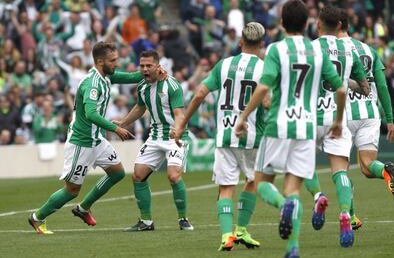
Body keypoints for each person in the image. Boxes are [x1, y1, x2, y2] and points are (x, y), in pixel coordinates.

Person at [234, 0, 346, 258]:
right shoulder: (317, 51)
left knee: (261, 181)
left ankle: (284, 206)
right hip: (306, 127)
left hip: (278, 125)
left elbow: (263, 88)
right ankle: (292, 248)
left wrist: (243, 116)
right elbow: (340, 88)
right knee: (294, 188)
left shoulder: (276, 50)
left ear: (282, 22)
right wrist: (339, 121)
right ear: (307, 23)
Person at [28, 41, 161, 234]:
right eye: (113, 60)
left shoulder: (107, 76)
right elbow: (91, 114)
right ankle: (37, 217)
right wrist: (116, 129)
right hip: (81, 143)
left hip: (96, 139)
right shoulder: (92, 83)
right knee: (71, 190)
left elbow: (133, 76)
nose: (117, 63)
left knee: (117, 173)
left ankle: (83, 208)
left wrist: (154, 71)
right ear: (100, 61)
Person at [173, 22, 266, 251]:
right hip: (252, 135)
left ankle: (227, 236)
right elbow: (268, 102)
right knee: (252, 181)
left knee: (226, 187)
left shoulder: (224, 65)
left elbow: (199, 95)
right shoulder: (264, 68)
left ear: (240, 42)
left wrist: (182, 124)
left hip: (225, 135)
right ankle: (242, 230)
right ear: (262, 44)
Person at [305, 5, 369, 248]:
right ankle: (345, 214)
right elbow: (363, 86)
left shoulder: (310, 47)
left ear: (319, 25)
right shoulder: (348, 49)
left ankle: (317, 196)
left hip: (310, 115)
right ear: (340, 26)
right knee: (340, 170)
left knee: (302, 164)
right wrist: (347, 82)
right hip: (337, 117)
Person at [115, 50, 194, 232]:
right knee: (137, 176)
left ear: (158, 66)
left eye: (149, 65)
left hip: (175, 136)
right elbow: (140, 108)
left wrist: (178, 129)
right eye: (142, 65)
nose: (144, 69)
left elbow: (178, 113)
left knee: (173, 176)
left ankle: (183, 218)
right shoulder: (142, 86)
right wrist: (123, 122)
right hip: (155, 136)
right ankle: (146, 222)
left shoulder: (172, 85)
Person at [337, 8, 394, 229]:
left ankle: (351, 216)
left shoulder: (331, 50)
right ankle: (385, 170)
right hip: (370, 114)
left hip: (343, 114)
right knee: (367, 166)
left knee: (341, 169)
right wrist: (390, 119)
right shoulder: (369, 49)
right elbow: (382, 85)